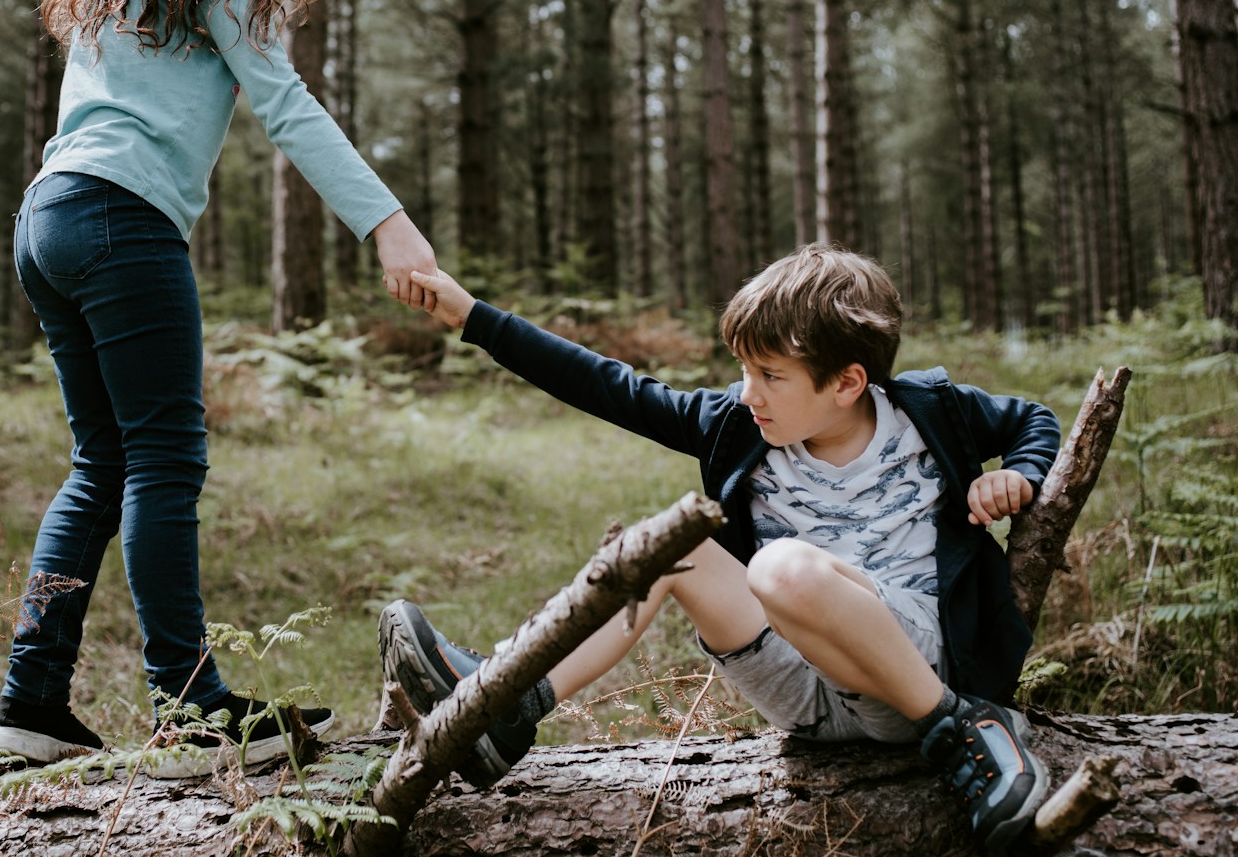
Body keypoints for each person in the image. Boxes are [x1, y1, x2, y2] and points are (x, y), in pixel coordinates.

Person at [0, 0, 436, 779]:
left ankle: (29, 702)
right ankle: (189, 710)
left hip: (48, 218)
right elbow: (286, 103)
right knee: (162, 462)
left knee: (103, 461)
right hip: (118, 221)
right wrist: (390, 227)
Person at [381, 245, 1057, 854]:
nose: (747, 392)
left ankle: (963, 728)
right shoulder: (738, 426)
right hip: (805, 693)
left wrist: (1018, 474)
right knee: (674, 546)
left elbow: (1034, 420)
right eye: (743, 368)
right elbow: (606, 385)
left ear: (848, 383)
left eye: (770, 375)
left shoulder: (928, 412)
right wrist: (471, 314)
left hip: (912, 669)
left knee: (781, 568)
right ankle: (508, 705)